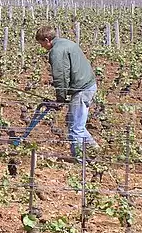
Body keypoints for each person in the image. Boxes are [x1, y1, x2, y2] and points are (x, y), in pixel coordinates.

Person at [35, 25, 100, 159]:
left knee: (75, 129)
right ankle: (96, 149)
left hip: (82, 90)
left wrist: (60, 97)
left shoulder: (56, 51)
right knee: (76, 123)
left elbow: (61, 76)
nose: (42, 47)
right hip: (88, 85)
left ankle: (79, 160)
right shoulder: (67, 43)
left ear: (47, 40)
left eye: (41, 44)